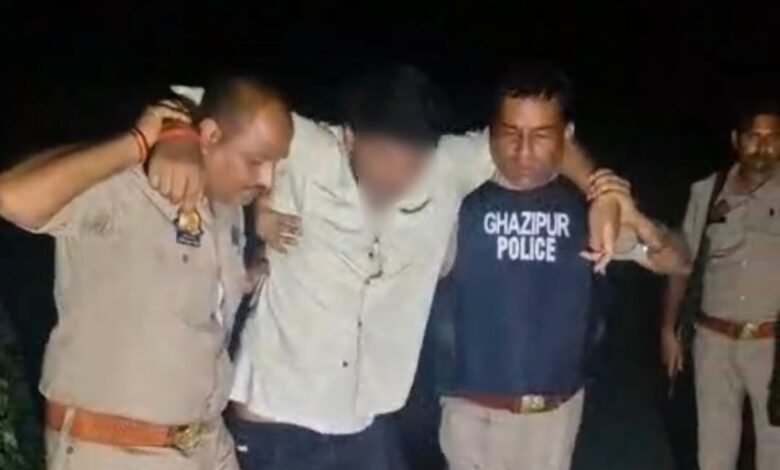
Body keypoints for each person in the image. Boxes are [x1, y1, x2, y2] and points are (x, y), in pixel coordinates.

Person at [160, 65, 634, 470]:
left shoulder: (447, 168)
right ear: (350, 137)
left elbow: (536, 138)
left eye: (413, 163)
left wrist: (603, 190)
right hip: (278, 422)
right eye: (383, 156)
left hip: (369, 423)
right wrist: (178, 138)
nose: (397, 176)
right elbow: (194, 102)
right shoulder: (307, 150)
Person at [0, 76, 293, 470]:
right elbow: (11, 196)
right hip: (118, 450)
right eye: (256, 161)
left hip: (207, 445)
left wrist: (253, 272)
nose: (268, 179)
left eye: (276, 164)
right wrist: (136, 143)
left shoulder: (228, 212)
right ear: (209, 135)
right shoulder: (129, 186)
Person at [435, 64, 690, 470]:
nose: (523, 151)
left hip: (553, 419)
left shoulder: (588, 210)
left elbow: (678, 260)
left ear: (566, 135)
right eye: (510, 133)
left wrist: (643, 226)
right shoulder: (457, 204)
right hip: (471, 416)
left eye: (540, 135)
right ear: (490, 132)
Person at [661, 99, 780, 470]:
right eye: (753, 137)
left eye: (772, 138)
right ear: (736, 140)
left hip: (773, 347)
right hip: (713, 343)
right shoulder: (707, 192)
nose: (763, 147)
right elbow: (682, 264)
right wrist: (669, 329)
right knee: (713, 450)